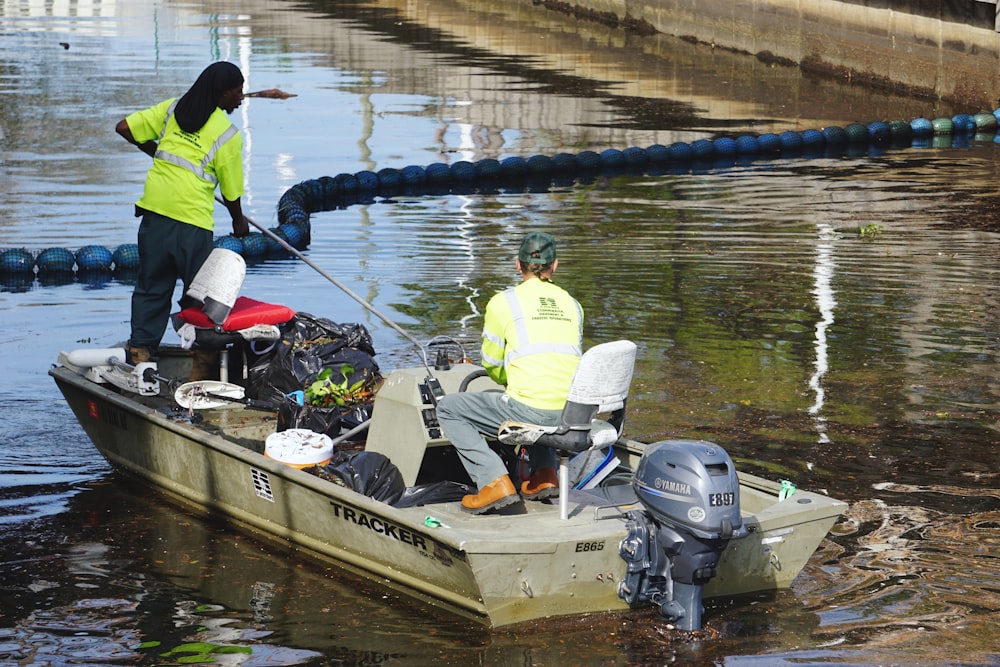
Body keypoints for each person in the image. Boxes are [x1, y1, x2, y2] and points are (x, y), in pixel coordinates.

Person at [115, 61, 251, 377]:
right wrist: (238, 222)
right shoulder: (228, 134)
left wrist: (156, 151)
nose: (241, 98)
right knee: (199, 295)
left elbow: (125, 127)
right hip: (192, 222)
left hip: (156, 214)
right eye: (238, 91)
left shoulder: (172, 109)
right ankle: (201, 367)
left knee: (152, 287)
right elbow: (231, 192)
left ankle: (139, 355)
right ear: (223, 92)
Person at [436, 232, 583, 514]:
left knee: (449, 409)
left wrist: (509, 381)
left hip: (534, 412)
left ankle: (494, 482)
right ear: (555, 266)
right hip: (573, 413)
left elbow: (491, 363)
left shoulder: (503, 302)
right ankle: (544, 475)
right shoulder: (574, 305)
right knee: (541, 398)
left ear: (518, 265)